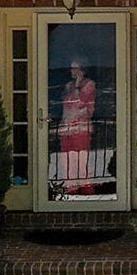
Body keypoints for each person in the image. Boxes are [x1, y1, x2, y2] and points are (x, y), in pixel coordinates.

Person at [54, 56, 99, 197]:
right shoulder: (68, 86)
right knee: (67, 157)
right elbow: (66, 106)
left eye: (75, 68)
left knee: (81, 157)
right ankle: (70, 185)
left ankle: (85, 185)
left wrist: (79, 85)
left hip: (81, 126)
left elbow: (82, 102)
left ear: (82, 69)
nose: (72, 71)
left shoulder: (89, 84)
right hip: (67, 126)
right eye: (71, 68)